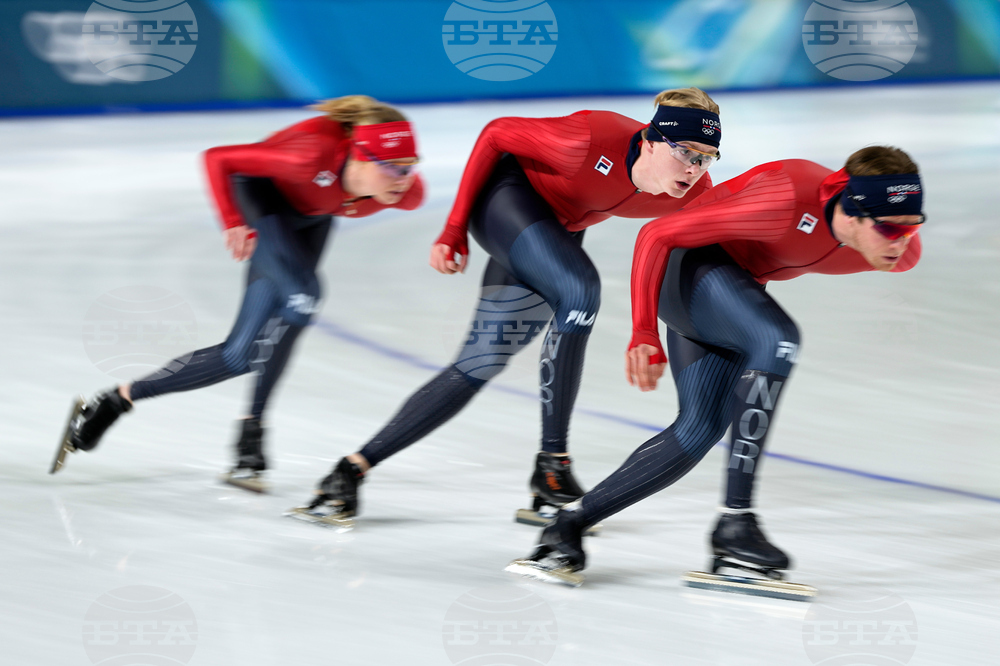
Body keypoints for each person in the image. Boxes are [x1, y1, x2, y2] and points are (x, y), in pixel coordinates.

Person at [290, 88, 723, 527]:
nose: (693, 167)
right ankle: (553, 464)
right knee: (581, 290)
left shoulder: (695, 190)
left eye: (706, 157)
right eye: (685, 151)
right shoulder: (590, 139)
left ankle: (348, 471)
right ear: (650, 139)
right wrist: (454, 228)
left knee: (479, 362)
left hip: (556, 232)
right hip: (507, 200)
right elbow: (496, 134)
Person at [506, 145, 924, 586]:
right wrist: (643, 332)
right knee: (777, 338)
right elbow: (656, 235)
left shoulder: (897, 247)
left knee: (698, 429)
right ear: (854, 213)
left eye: (912, 229)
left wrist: (895, 230)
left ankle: (566, 527)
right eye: (889, 229)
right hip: (687, 271)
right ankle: (736, 524)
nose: (902, 243)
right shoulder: (784, 201)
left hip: (729, 289)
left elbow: (895, 231)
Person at [50, 95, 425, 492]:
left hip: (312, 217)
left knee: (239, 355)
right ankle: (252, 433)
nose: (405, 180)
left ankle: (117, 400)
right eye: (394, 169)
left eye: (410, 168)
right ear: (361, 158)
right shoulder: (310, 156)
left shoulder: (404, 191)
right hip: (263, 201)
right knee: (305, 295)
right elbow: (218, 158)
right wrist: (232, 220)